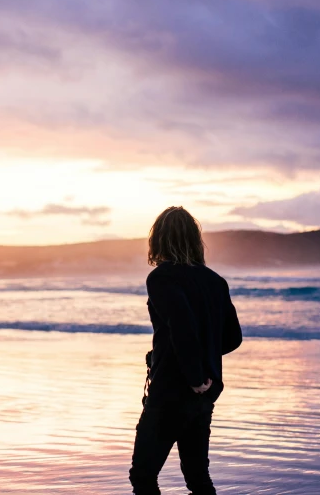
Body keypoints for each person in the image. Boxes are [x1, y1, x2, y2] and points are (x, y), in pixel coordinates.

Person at [129, 206, 243, 495]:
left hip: (172, 392)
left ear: (159, 240)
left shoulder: (161, 278)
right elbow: (232, 338)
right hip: (205, 393)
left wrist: (193, 375)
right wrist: (204, 370)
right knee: (197, 477)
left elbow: (181, 325)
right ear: (195, 240)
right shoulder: (215, 281)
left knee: (143, 475)